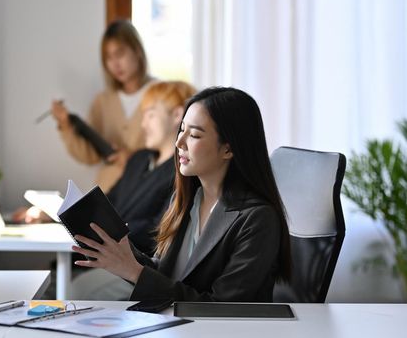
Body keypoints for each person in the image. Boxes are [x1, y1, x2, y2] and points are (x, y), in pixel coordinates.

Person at [72, 87, 292, 302]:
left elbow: (222, 307)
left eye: (194, 135)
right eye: (182, 130)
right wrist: (124, 256)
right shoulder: (189, 199)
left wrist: (135, 272)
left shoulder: (257, 219)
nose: (179, 143)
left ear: (228, 149)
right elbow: (170, 276)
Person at [69, 80, 196, 300]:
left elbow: (157, 232)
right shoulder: (138, 160)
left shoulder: (183, 172)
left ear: (177, 115)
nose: (143, 124)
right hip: (109, 252)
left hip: (139, 263)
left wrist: (105, 234)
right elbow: (107, 202)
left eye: (150, 115)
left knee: (76, 288)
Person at [51, 20, 154, 193]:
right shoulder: (103, 101)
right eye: (108, 57)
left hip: (144, 193)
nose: (115, 64)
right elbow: (89, 155)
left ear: (137, 50)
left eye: (119, 54)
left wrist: (134, 160)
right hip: (106, 194)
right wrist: (66, 125)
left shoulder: (160, 94)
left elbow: (171, 155)